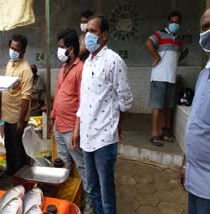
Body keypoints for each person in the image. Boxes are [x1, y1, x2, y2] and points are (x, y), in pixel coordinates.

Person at [71, 16, 133, 214]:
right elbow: (84, 102)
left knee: (106, 193)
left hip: (105, 139)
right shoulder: (87, 62)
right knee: (92, 188)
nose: (87, 35)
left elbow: (126, 101)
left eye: (93, 31)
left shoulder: (114, 61)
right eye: (86, 31)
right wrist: (77, 130)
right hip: (87, 138)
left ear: (104, 35)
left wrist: (118, 126)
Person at [50, 28, 91, 212]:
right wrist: (52, 116)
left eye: (61, 47)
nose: (59, 51)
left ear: (71, 50)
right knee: (63, 163)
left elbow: (83, 102)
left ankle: (88, 201)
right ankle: (67, 199)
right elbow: (58, 93)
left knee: (82, 166)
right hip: (59, 125)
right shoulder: (63, 68)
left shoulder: (81, 69)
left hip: (71, 129)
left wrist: (77, 130)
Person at [179, 8, 210, 214]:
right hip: (195, 177)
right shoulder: (203, 74)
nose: (208, 32)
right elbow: (196, 125)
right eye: (205, 27)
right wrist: (185, 163)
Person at [146, 11, 188, 146]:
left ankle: (165, 132)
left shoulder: (179, 39)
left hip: (171, 77)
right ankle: (154, 134)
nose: (174, 24)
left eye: (177, 22)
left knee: (168, 106)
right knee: (157, 106)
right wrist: (157, 57)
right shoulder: (159, 34)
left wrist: (176, 61)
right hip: (159, 76)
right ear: (168, 22)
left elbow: (185, 51)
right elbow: (148, 43)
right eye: (172, 22)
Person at [1, 34, 33, 175]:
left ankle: (21, 177)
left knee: (18, 149)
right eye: (11, 47)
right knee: (9, 146)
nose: (13, 51)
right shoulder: (9, 63)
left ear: (23, 51)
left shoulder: (25, 70)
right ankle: (11, 171)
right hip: (7, 116)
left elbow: (25, 98)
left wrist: (21, 122)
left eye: (16, 49)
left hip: (17, 118)